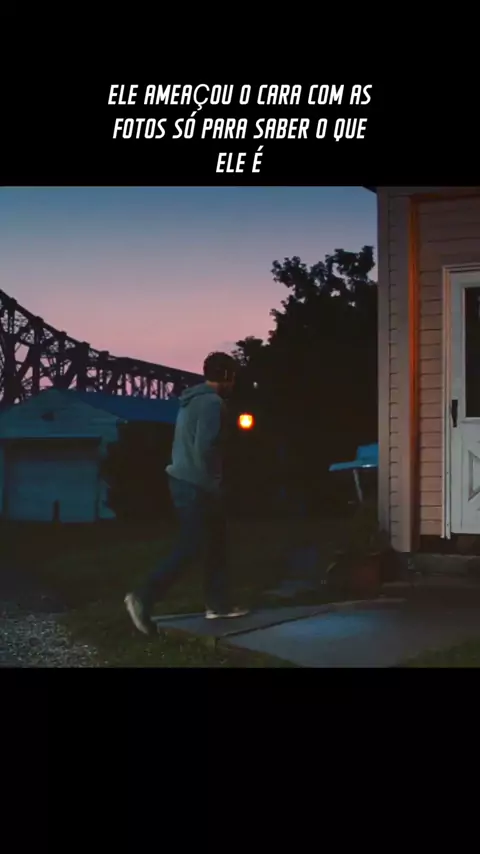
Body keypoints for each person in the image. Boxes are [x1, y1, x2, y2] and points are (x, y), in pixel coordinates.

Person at [125, 351, 248, 635]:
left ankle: (218, 604)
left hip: (183, 479)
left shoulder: (191, 401)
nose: (233, 383)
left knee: (216, 542)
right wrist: (214, 485)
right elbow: (206, 448)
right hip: (197, 484)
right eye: (232, 377)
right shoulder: (212, 403)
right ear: (226, 376)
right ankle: (143, 597)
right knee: (192, 545)